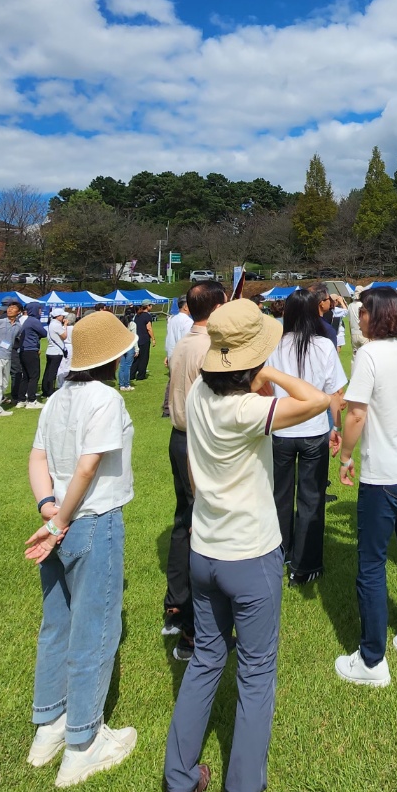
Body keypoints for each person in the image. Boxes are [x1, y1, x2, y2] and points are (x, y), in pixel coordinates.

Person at [159, 299, 329, 792]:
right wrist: (269, 370)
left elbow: (192, 469)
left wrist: (249, 368)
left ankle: (178, 790)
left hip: (205, 551)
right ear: (251, 361)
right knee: (255, 678)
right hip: (250, 555)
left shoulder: (197, 395)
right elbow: (317, 400)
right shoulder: (249, 409)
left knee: (207, 660)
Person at [24, 310, 138, 788]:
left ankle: (49, 723)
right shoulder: (105, 399)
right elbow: (89, 467)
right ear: (114, 357)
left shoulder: (57, 397)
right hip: (91, 519)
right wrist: (60, 519)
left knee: (58, 624)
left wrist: (48, 508)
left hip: (62, 518)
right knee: (94, 630)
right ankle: (83, 742)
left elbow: (38, 459)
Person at [334, 288, 397, 685]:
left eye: (363, 312)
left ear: (377, 316)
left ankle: (372, 660)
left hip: (388, 473)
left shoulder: (370, 355)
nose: (358, 318)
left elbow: (356, 414)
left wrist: (346, 457)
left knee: (371, 564)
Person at [164, 280, 227, 660]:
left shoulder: (185, 341)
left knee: (183, 521)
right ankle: (192, 626)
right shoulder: (207, 347)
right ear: (217, 307)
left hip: (180, 436)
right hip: (198, 441)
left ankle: (176, 605)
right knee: (199, 527)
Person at [268, 288, 346, 586]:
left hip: (280, 429)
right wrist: (336, 428)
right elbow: (335, 394)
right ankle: (305, 565)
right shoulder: (323, 346)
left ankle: (278, 553)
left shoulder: (274, 346)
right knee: (311, 498)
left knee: (279, 496)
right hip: (313, 430)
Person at [162, 297, 191, 416]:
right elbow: (187, 342)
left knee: (172, 382)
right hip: (181, 356)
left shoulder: (172, 319)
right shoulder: (187, 322)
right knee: (185, 383)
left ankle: (167, 408)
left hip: (172, 354)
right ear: (185, 307)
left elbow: (169, 338)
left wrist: (168, 354)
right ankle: (181, 408)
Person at [16, 301, 46, 409]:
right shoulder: (34, 321)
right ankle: (32, 400)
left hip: (23, 351)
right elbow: (44, 333)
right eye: (39, 309)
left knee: (26, 376)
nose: (40, 312)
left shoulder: (27, 321)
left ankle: (21, 399)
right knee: (34, 376)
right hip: (31, 350)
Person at [42, 308, 68, 397]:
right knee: (52, 372)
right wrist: (65, 325)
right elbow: (64, 336)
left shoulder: (51, 324)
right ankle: (50, 391)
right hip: (56, 352)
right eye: (62, 316)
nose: (63, 317)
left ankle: (45, 390)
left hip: (50, 350)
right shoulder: (57, 325)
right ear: (58, 316)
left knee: (47, 371)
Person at [130, 304, 154, 380]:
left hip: (136, 339)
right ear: (148, 306)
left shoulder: (137, 316)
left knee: (136, 358)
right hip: (144, 339)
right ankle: (141, 375)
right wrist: (153, 338)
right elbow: (149, 328)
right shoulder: (147, 316)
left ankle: (131, 375)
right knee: (144, 358)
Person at [117, 314, 139, 392]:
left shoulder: (119, 324)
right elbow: (134, 337)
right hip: (129, 346)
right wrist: (137, 349)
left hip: (121, 347)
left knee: (122, 367)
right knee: (127, 367)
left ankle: (121, 385)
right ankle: (127, 384)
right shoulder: (132, 324)